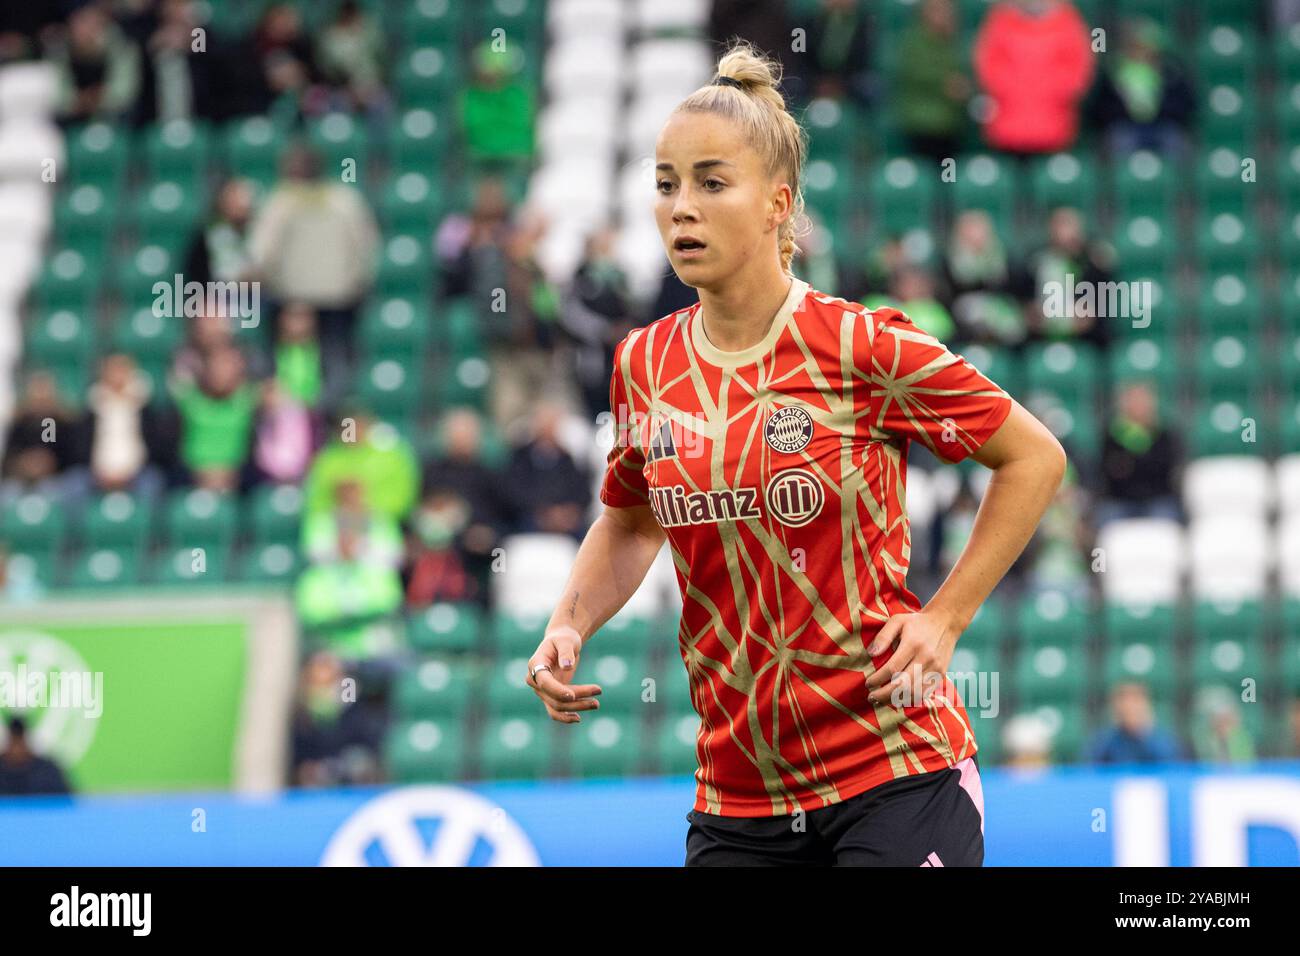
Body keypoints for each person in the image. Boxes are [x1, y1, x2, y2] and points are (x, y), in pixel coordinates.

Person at [525, 44, 1067, 867]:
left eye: (712, 182)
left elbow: (1034, 458)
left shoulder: (858, 344)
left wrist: (946, 617)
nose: (681, 208)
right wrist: (569, 623)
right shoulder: (643, 363)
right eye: (666, 184)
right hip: (736, 800)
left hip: (896, 773)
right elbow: (632, 524)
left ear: (778, 204)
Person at [972, 0, 1094, 156]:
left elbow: (1078, 69)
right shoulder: (1000, 21)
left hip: (1055, 128)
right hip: (1007, 129)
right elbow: (988, 65)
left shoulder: (1068, 22)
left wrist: (1054, 91)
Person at [1085, 682, 1183, 764]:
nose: (1129, 708)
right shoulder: (1105, 741)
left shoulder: (1163, 742)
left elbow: (1170, 771)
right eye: (1124, 704)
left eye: (1135, 703)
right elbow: (1093, 771)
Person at [0, 716, 72, 796]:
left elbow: (67, 801)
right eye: (14, 742)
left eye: (20, 741)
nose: (17, 749)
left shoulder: (48, 771)